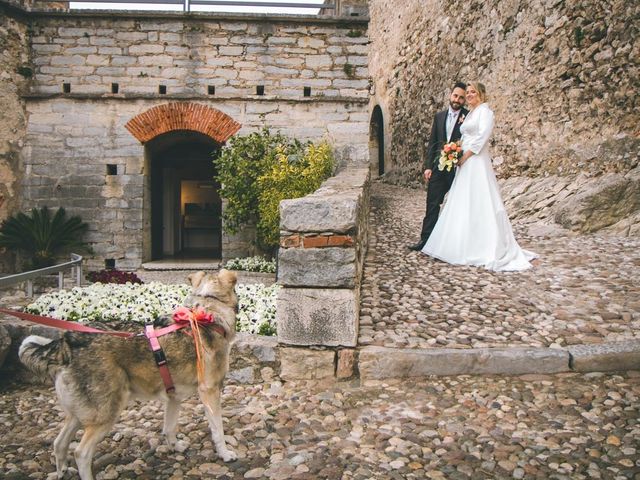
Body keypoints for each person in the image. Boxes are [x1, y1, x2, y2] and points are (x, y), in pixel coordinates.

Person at [421, 82, 536, 271]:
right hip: (463, 163)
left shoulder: (486, 112)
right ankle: (457, 242)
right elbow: (463, 138)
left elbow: (482, 138)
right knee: (462, 201)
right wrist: (455, 152)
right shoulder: (471, 114)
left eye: (472, 92)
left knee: (479, 199)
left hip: (475, 161)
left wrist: (464, 156)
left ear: (481, 94)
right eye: (467, 93)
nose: (469, 95)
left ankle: (482, 245)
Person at [408, 82, 469, 251]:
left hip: (458, 169)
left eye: (461, 98)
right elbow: (432, 143)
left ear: (464, 100)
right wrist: (428, 167)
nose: (457, 100)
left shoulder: (468, 117)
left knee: (457, 206)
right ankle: (425, 241)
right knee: (432, 204)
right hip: (438, 167)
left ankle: (453, 244)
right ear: (450, 95)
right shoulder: (439, 116)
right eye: (455, 96)